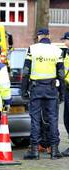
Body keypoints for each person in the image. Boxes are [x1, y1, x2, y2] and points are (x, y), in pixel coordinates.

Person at [21, 28, 64, 160]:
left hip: (36, 88)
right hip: (51, 89)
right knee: (53, 118)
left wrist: (24, 90)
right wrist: (61, 92)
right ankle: (54, 150)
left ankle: (35, 150)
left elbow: (26, 71)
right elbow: (61, 74)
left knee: (35, 119)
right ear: (49, 36)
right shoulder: (57, 51)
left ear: (39, 37)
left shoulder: (32, 49)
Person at [60, 32, 69, 157]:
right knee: (67, 119)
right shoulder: (66, 54)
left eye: (66, 40)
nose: (64, 42)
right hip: (67, 90)